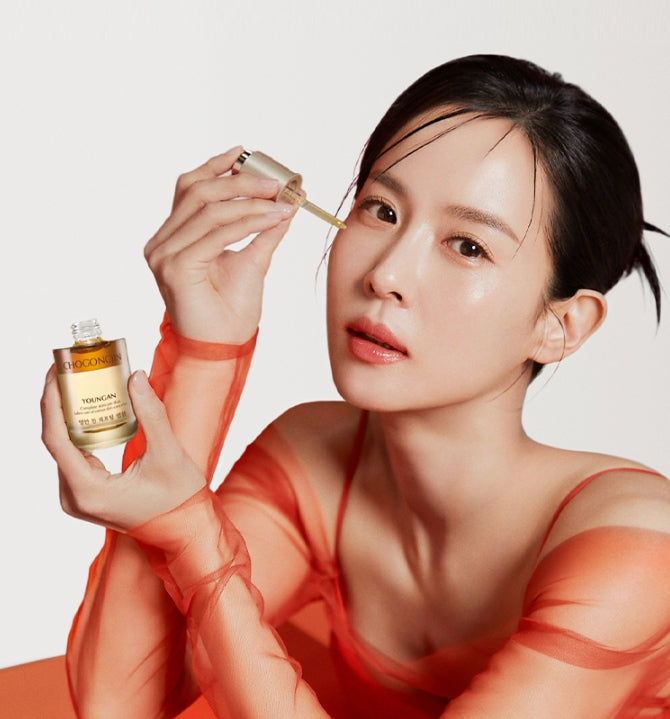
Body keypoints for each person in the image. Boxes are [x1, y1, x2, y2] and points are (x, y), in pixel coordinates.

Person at [41, 54, 670, 718]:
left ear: (560, 325)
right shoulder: (316, 459)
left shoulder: (638, 546)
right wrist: (205, 352)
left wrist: (195, 535)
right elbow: (117, 705)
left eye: (467, 246)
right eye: (382, 209)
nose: (386, 274)